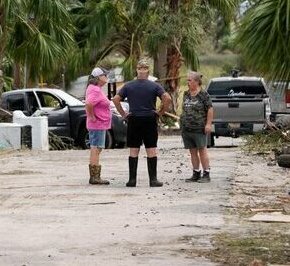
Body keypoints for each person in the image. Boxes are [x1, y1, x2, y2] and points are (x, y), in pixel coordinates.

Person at [112, 59, 172, 187]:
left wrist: (123, 114)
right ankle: (153, 180)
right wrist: (160, 112)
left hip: (134, 119)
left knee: (134, 149)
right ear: (148, 71)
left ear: (137, 70)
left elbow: (116, 99)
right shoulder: (154, 86)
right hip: (150, 119)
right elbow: (167, 98)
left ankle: (132, 180)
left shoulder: (128, 85)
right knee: (151, 149)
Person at [180, 71, 213, 183]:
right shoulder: (186, 94)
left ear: (196, 82)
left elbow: (210, 109)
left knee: (202, 150)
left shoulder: (203, 95)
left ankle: (206, 173)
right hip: (187, 128)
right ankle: (196, 173)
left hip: (199, 128)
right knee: (192, 151)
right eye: (187, 80)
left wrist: (208, 124)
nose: (187, 82)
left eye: (189, 80)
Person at [85, 67, 112, 185]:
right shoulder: (95, 90)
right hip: (97, 124)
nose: (106, 77)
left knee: (96, 148)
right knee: (96, 148)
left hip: (99, 124)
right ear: (98, 77)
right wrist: (92, 116)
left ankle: (94, 176)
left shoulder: (95, 89)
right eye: (104, 75)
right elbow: (89, 103)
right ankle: (95, 177)